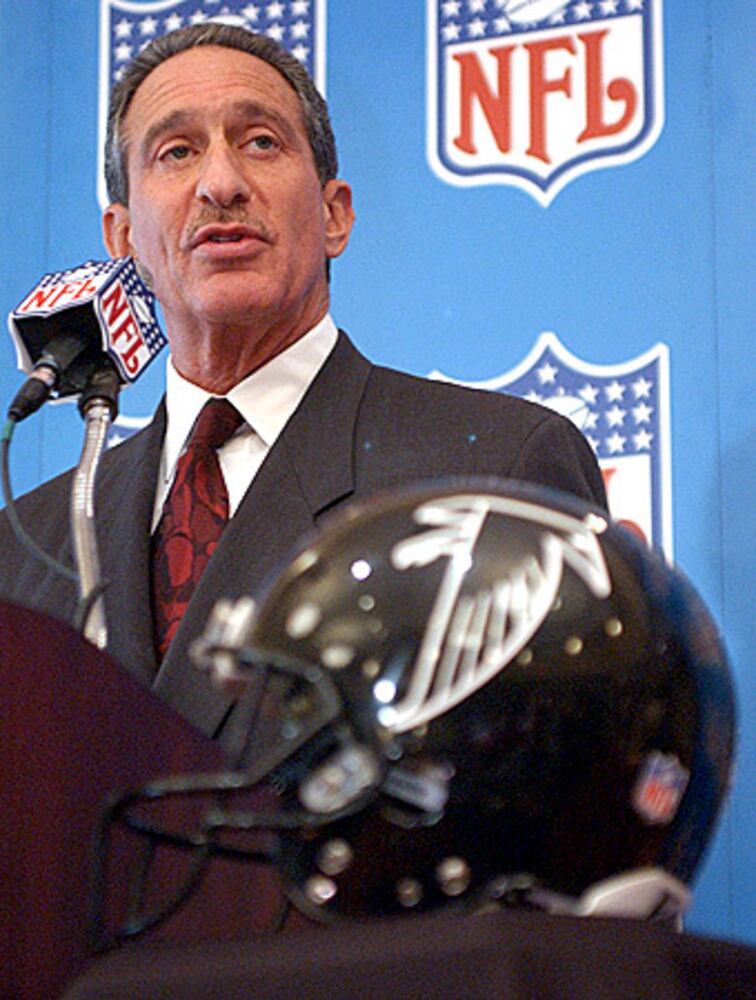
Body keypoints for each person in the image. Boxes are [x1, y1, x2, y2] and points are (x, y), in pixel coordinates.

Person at [0, 24, 605, 750]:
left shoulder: (494, 470)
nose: (220, 184)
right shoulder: (25, 547)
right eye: (177, 152)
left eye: (260, 142)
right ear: (123, 238)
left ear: (334, 215)